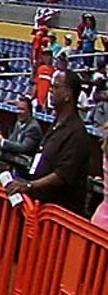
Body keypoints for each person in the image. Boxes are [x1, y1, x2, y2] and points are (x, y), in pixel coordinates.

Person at [8, 70, 100, 218]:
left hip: (58, 216)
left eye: (56, 87)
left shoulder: (77, 133)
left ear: (68, 95)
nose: (51, 90)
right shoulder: (56, 124)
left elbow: (62, 175)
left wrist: (29, 186)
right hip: (40, 208)